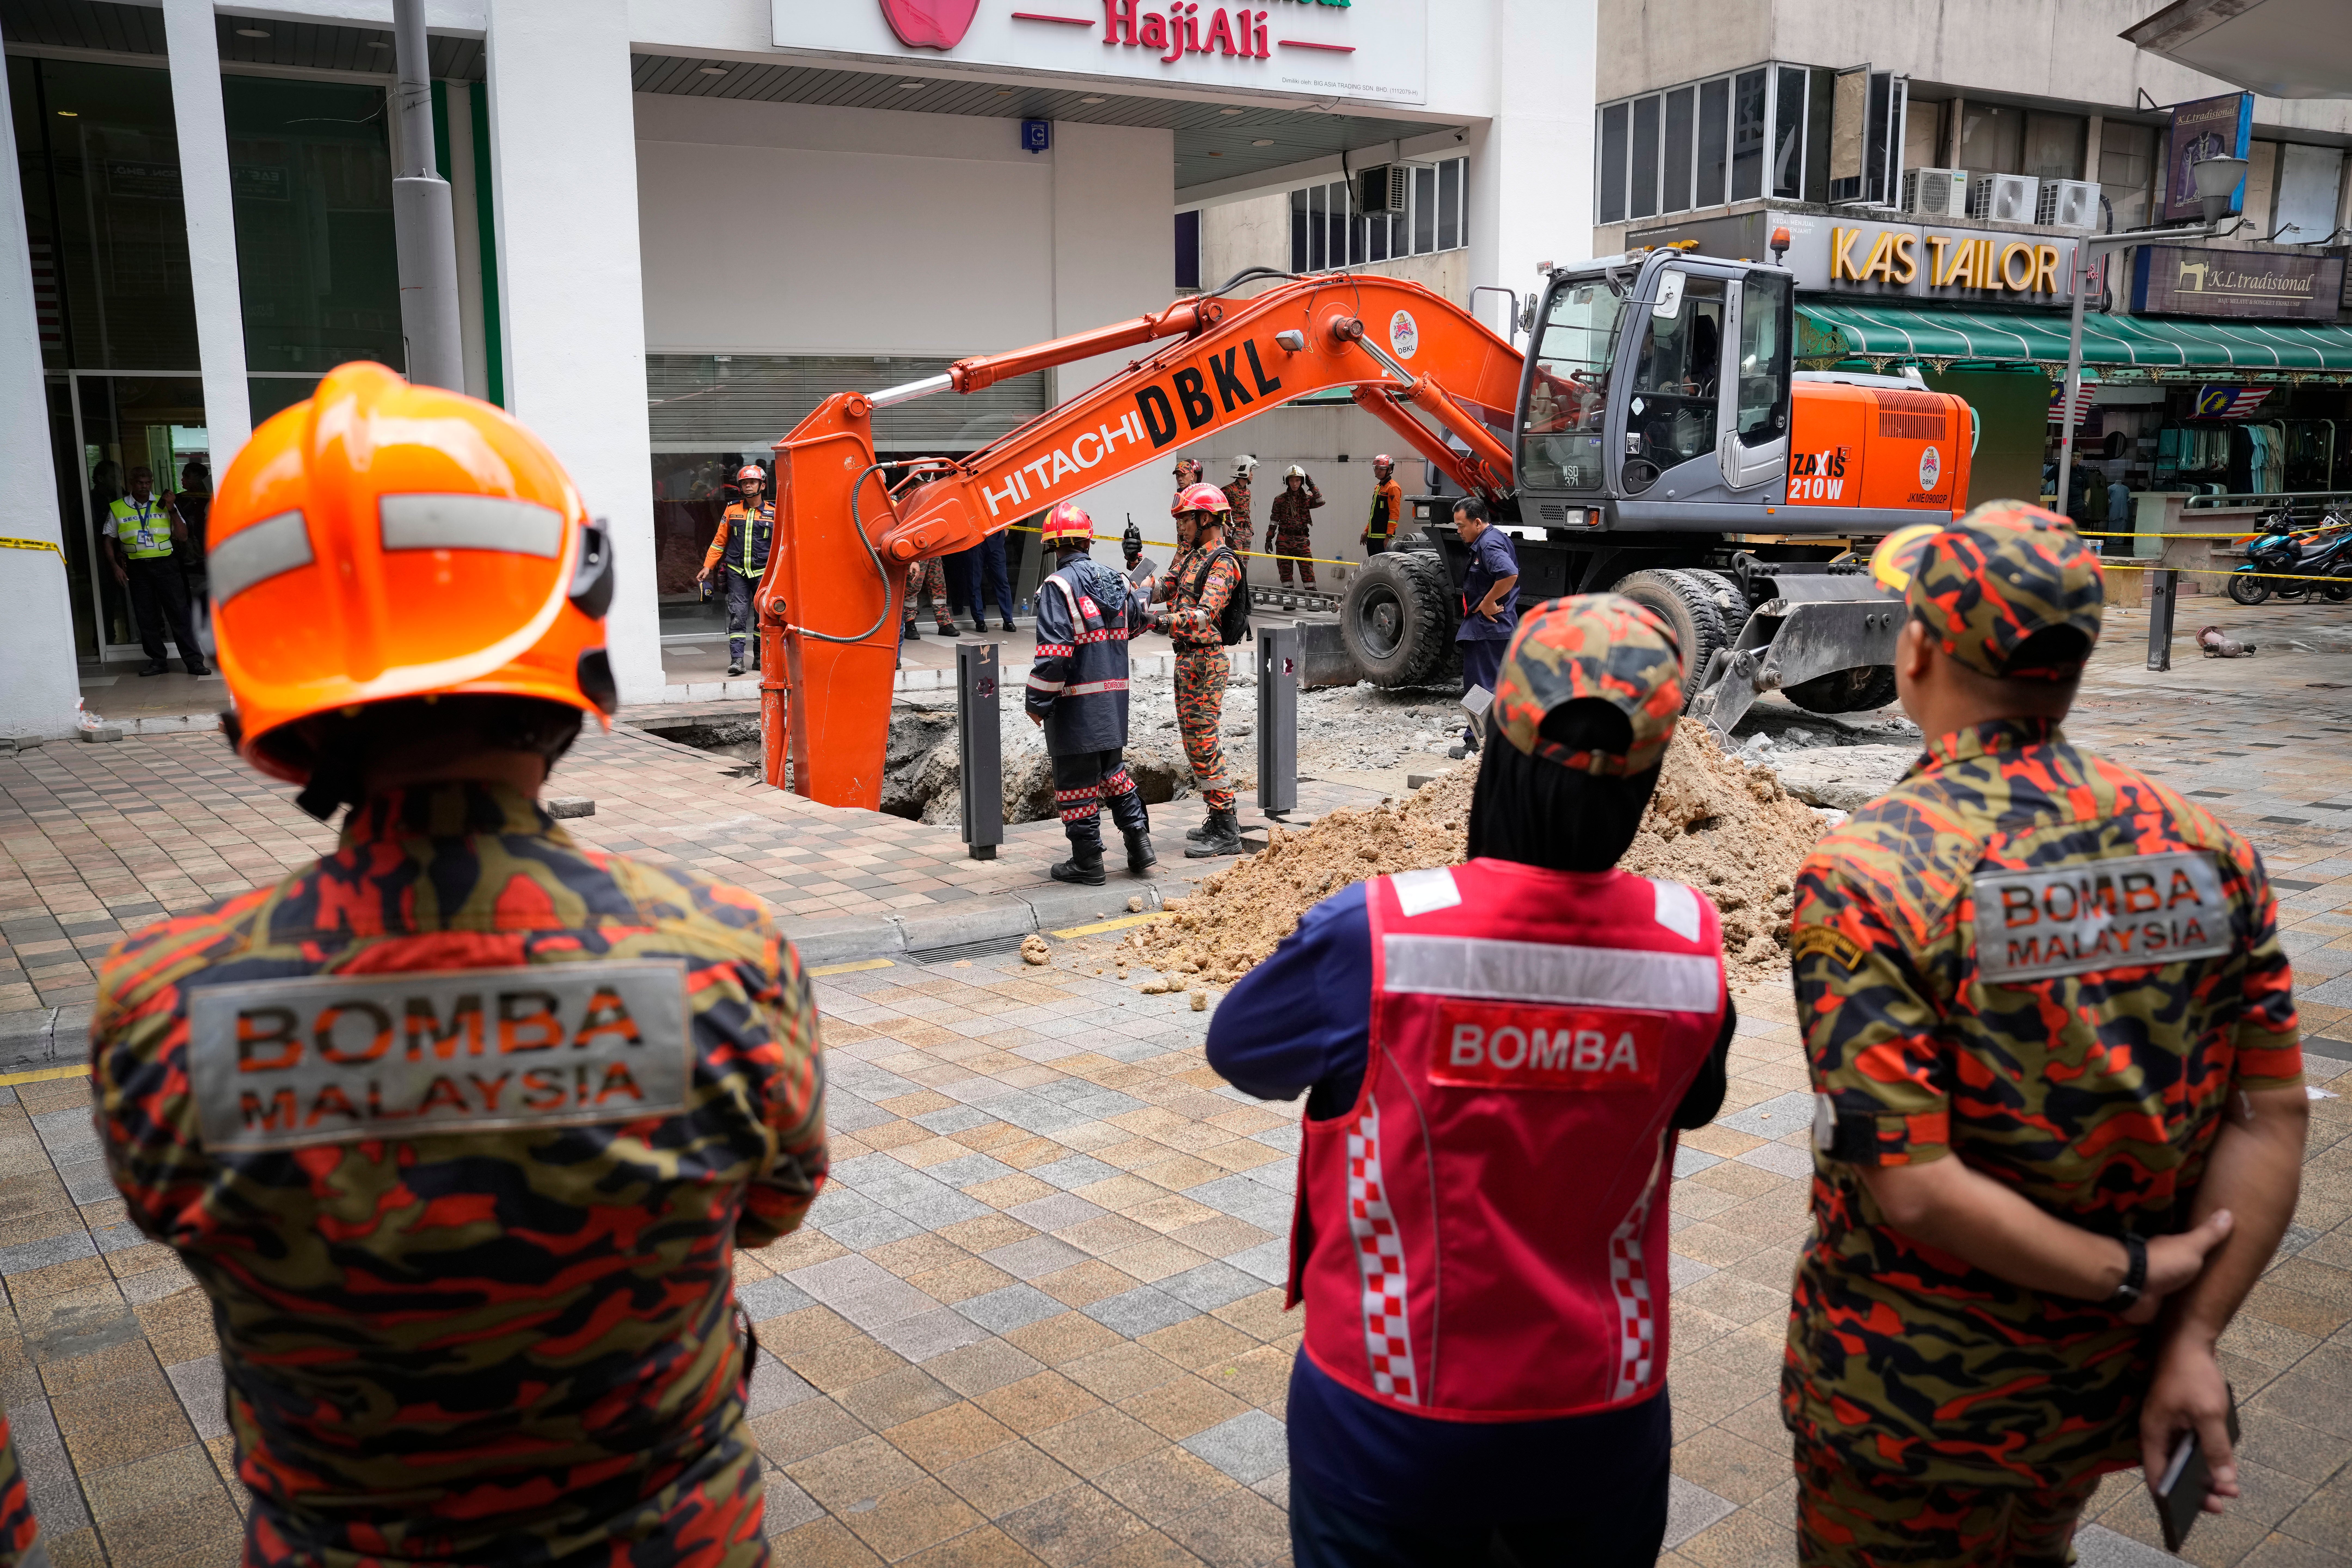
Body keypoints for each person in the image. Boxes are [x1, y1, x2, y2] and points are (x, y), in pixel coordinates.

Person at [91, 362, 828, 1566]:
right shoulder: (721, 956)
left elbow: (175, 1215)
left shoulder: (160, 1001)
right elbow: (772, 1207)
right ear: (574, 626)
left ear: (259, 667)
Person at [1784, 501, 2308, 1568]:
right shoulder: (2208, 851)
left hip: (1906, 1409)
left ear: (1917, 650)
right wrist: (2193, 1333)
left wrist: (2134, 1271)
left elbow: (1913, 1184)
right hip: (2092, 1397)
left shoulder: (1874, 874)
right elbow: (2272, 1114)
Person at [1206, 595, 1731, 1568]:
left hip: (1389, 1421)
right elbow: (1696, 1101)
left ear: (1498, 741)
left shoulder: (1376, 934)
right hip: (1601, 1421)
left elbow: (1240, 1049)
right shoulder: (1689, 944)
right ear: (1651, 776)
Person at [1025, 501, 1155, 885]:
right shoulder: (1116, 580)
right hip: (1113, 701)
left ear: (1052, 546)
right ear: (1088, 540)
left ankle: (1088, 862)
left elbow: (1055, 654)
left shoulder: (1057, 586)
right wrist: (1143, 581)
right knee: (1113, 774)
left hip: (1075, 705)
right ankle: (1140, 847)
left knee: (1075, 784)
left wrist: (1037, 701)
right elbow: (1137, 623)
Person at [1150, 482, 1245, 858]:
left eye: (1186, 519)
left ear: (1206, 519)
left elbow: (1206, 615)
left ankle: (1227, 828)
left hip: (1205, 662)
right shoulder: (1192, 556)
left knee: (1204, 742)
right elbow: (1166, 587)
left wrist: (1161, 622)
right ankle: (1217, 817)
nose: (1182, 526)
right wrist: (1135, 575)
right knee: (1193, 743)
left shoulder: (1222, 562)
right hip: (1188, 660)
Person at [104, 464, 209, 677]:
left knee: (179, 614)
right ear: (131, 484)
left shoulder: (165, 504)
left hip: (166, 565)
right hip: (137, 567)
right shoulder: (118, 507)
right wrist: (115, 566)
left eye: (148, 483)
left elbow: (183, 536)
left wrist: (172, 509)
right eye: (140, 483)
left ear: (152, 483)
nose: (144, 487)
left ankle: (194, 662)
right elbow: (108, 540)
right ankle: (158, 661)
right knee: (146, 616)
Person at [1449, 498, 1520, 758]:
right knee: (1497, 684)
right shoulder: (1494, 539)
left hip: (1487, 629)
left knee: (1478, 686)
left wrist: (1489, 602)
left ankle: (1475, 742)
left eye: (1462, 526)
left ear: (1478, 523)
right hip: (1497, 628)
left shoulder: (1488, 544)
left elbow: (1509, 574)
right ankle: (1501, 741)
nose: (1459, 531)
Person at [697, 463, 774, 676]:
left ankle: (760, 659)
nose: (748, 486)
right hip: (737, 572)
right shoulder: (732, 510)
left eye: (753, 482)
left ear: (762, 485)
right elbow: (719, 541)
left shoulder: (774, 512)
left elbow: (782, 545)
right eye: (745, 483)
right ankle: (737, 661)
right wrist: (708, 566)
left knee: (763, 620)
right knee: (738, 616)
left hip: (764, 574)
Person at [1267, 465, 1324, 589]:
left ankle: (1312, 596)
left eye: (1298, 480)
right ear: (1287, 482)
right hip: (1284, 540)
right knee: (1285, 574)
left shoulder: (1307, 498)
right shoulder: (1280, 500)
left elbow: (1321, 501)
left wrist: (1312, 485)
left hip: (1301, 540)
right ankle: (1288, 597)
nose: (1294, 484)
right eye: (1292, 480)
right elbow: (1274, 520)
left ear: (1302, 482)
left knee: (1308, 571)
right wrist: (1269, 538)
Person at [179, 454, 214, 632]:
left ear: (201, 479)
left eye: (187, 476)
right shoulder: (179, 501)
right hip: (188, 555)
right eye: (183, 476)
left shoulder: (212, 499)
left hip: (208, 552)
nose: (183, 480)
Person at [902, 555, 958, 639]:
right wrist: (915, 559)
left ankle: (944, 623)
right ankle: (910, 623)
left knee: (939, 587)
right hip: (918, 553)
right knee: (912, 588)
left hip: (935, 552)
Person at [976, 528, 1019, 632]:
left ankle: (1008, 620)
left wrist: (1007, 526)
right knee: (975, 582)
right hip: (975, 540)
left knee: (1002, 581)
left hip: (995, 537)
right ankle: (979, 621)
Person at [1224, 454, 1257, 583]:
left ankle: (1242, 590)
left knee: (1244, 566)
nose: (1252, 474)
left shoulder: (1248, 492)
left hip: (1246, 533)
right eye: (1251, 470)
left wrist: (1250, 530)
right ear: (1244, 470)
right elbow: (1219, 511)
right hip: (1235, 533)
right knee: (1236, 564)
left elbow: (1247, 513)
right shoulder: (1228, 491)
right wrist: (1224, 525)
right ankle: (1234, 590)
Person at [1362, 454, 1403, 556]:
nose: (1378, 471)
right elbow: (1375, 514)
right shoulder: (1379, 487)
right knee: (1372, 564)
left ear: (1389, 470)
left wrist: (1389, 537)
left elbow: (1394, 514)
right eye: (1376, 469)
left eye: (1382, 469)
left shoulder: (1393, 488)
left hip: (1383, 538)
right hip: (1373, 537)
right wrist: (1366, 531)